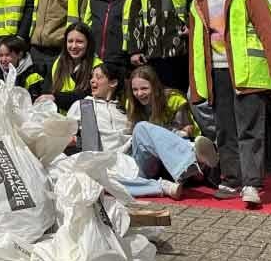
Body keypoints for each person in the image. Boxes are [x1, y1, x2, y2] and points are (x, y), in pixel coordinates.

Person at [188, 0, 271, 207]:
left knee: (250, 130)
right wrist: (197, 82)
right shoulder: (197, 2)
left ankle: (252, 184)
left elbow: (267, 29)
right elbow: (195, 47)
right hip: (217, 73)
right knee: (225, 130)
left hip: (247, 73)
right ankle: (231, 179)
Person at [67, 63, 210, 200]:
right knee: (96, 180)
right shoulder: (82, 106)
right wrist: (72, 140)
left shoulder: (124, 109)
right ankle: (161, 187)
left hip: (134, 162)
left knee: (141, 127)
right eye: (91, 77)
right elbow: (67, 133)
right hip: (106, 166)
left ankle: (190, 156)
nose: (92, 80)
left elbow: (150, 135)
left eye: (98, 77)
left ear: (113, 83)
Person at [38, 22, 101, 113]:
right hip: (58, 120)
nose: (74, 46)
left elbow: (86, 97)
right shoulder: (57, 62)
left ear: (88, 44)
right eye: (70, 41)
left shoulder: (97, 67)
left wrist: (56, 98)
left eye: (79, 42)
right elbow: (47, 91)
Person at [0, 35, 43, 102]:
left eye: (7, 55)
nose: (3, 59)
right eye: (0, 55)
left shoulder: (32, 74)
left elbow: (34, 101)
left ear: (19, 55)